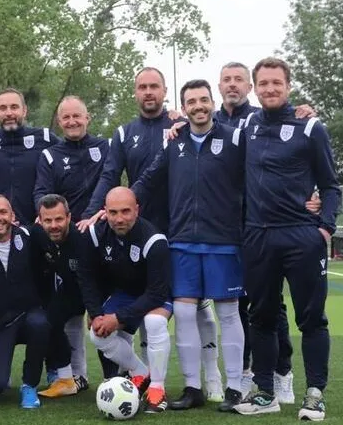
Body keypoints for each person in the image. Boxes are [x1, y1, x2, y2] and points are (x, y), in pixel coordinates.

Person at [80, 67, 220, 396]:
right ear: (135, 92)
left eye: (153, 87)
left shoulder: (178, 127)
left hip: (178, 233)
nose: (148, 92)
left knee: (197, 309)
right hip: (133, 232)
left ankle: (210, 379)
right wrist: (92, 213)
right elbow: (110, 175)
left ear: (164, 90)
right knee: (145, 313)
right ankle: (144, 379)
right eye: (142, 87)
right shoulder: (124, 133)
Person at [130, 79, 248, 411]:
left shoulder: (235, 139)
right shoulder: (175, 142)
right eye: (191, 101)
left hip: (223, 242)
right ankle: (193, 387)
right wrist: (121, 201)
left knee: (228, 313)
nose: (198, 106)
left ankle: (235, 387)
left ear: (212, 102)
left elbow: (259, 177)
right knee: (182, 313)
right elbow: (149, 178)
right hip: (181, 241)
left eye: (203, 100)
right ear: (183, 108)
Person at [234, 57, 340, 421]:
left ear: (288, 86)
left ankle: (314, 395)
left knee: (311, 320)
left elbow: (329, 185)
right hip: (259, 237)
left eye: (276, 82)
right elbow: (209, 128)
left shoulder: (310, 127)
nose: (270, 89)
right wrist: (177, 124)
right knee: (260, 316)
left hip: (301, 238)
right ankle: (266, 393)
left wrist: (324, 228)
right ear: (255, 87)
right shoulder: (247, 124)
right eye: (263, 83)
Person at [215, 61, 297, 400]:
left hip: (259, 225)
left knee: (268, 305)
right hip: (223, 229)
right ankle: (248, 372)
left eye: (239, 80)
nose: (232, 85)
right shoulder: (210, 120)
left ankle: (283, 372)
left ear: (249, 86)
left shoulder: (261, 119)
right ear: (219, 86)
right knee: (235, 307)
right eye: (226, 80)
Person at [32, 95, 110, 384]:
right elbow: (41, 193)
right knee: (71, 311)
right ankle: (77, 375)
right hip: (65, 240)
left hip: (103, 239)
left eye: (78, 116)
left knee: (103, 308)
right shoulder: (50, 155)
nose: (72, 121)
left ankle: (115, 375)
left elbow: (113, 181)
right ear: (59, 121)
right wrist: (50, 219)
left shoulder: (105, 147)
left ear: (88, 117)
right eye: (66, 117)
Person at [80, 188, 173, 414]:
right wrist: (95, 313)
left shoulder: (154, 239)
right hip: (126, 294)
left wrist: (118, 317)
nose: (119, 218)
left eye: (125, 211)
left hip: (157, 293)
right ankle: (141, 373)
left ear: (137, 210)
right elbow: (86, 276)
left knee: (154, 323)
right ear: (105, 211)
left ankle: (158, 390)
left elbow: (157, 293)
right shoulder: (96, 234)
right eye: (113, 212)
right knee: (97, 333)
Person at [0, 194, 52, 409]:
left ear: (12, 216)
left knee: (41, 323)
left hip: (28, 316)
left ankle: (29, 385)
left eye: (3, 212)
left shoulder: (29, 236)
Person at [0, 88, 59, 226]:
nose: (9, 113)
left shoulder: (45, 138)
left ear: (24, 110)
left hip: (36, 225)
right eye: (2, 108)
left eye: (14, 107)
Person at [35, 194, 94, 399]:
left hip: (96, 290)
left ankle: (116, 377)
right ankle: (71, 378)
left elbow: (89, 280)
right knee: (50, 320)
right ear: (39, 220)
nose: (53, 225)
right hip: (65, 289)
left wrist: (95, 311)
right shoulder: (38, 235)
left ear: (69, 217)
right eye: (48, 220)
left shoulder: (82, 239)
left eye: (59, 219)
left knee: (101, 329)